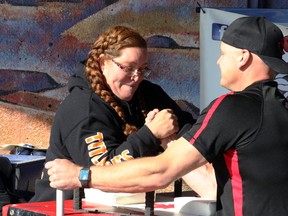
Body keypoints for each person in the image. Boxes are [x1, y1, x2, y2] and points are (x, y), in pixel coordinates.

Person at [46, 16, 288, 215]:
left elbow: (162, 171)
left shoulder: (232, 107)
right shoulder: (279, 107)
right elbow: (216, 182)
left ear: (243, 57)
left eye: (223, 53)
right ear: (103, 63)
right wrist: (157, 137)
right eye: (128, 68)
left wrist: (80, 174)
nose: (218, 61)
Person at [30, 25, 201, 202]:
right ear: (103, 62)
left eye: (143, 69)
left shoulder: (148, 93)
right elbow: (102, 172)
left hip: (124, 205)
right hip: (61, 207)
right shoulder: (83, 108)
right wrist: (151, 134)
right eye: (128, 68)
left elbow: (193, 132)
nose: (136, 77)